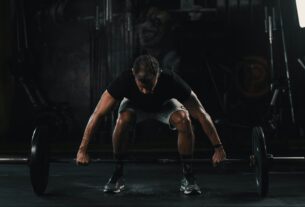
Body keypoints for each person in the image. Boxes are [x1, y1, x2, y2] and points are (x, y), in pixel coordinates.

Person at [76, 55, 226, 195]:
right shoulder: (124, 81)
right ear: (133, 74)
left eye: (150, 86)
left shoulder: (171, 80)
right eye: (141, 86)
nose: (146, 91)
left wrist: (218, 148)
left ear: (158, 75)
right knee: (123, 120)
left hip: (164, 106)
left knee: (184, 119)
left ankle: (188, 175)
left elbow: (201, 114)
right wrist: (82, 150)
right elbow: (97, 114)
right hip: (135, 107)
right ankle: (118, 173)